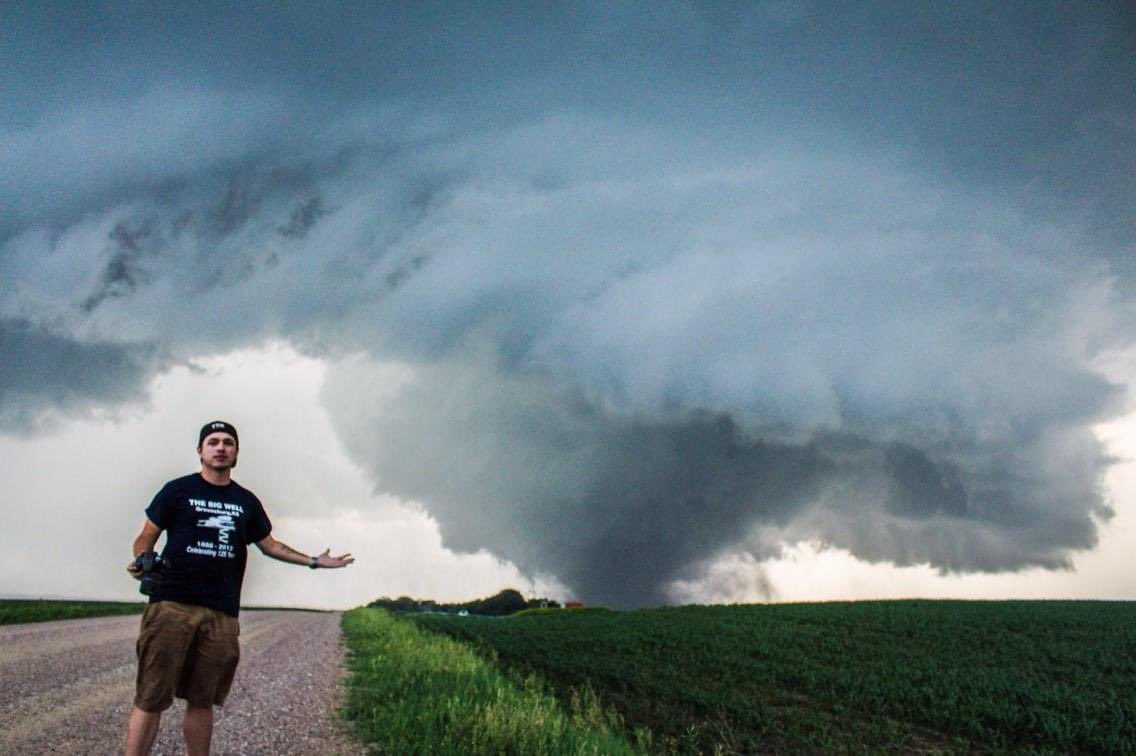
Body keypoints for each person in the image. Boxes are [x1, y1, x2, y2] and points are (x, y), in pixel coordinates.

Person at [124, 420, 354, 756]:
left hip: (221, 613)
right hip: (172, 604)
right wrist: (144, 558)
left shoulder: (245, 501)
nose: (220, 448)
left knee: (202, 700)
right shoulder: (177, 491)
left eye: (228, 443)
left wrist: (314, 561)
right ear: (200, 451)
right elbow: (147, 534)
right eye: (213, 442)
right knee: (151, 696)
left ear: (236, 453)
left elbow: (270, 545)